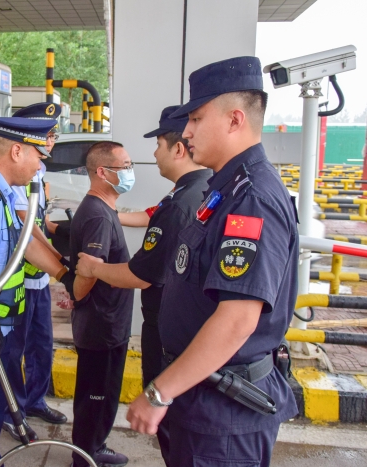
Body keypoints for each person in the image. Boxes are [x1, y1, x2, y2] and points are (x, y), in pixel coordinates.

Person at [126, 56, 299, 467]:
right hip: (200, 397)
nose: (186, 131)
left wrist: (158, 392)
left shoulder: (252, 198)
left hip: (223, 413)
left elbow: (237, 318)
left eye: (197, 118)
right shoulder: (225, 189)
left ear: (235, 119)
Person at [75, 105, 211, 463]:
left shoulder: (182, 202)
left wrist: (93, 269)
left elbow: (141, 273)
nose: (152, 156)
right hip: (167, 328)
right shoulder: (197, 193)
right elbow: (148, 217)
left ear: (178, 150)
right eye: (127, 166)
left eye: (158, 146)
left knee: (176, 432)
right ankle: (87, 453)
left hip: (168, 333)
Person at [0, 116, 75, 467]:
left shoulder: (4, 193)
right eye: (38, 156)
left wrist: (66, 274)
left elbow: (26, 242)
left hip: (3, 325)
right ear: (16, 150)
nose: (42, 163)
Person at [69, 141, 135, 467]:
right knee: (96, 397)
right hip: (102, 326)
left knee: (100, 395)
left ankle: (94, 446)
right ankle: (85, 456)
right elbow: (88, 270)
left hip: (107, 322)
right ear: (102, 172)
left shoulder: (104, 209)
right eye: (124, 167)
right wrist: (78, 298)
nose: (129, 172)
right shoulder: (99, 216)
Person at [7, 103, 68, 431]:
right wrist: (62, 266)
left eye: (53, 133)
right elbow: (27, 230)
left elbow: (40, 223)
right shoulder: (15, 177)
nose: (51, 140)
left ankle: (35, 401)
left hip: (38, 279)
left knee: (42, 345)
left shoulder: (39, 174)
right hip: (17, 280)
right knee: (14, 348)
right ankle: (11, 410)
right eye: (46, 134)